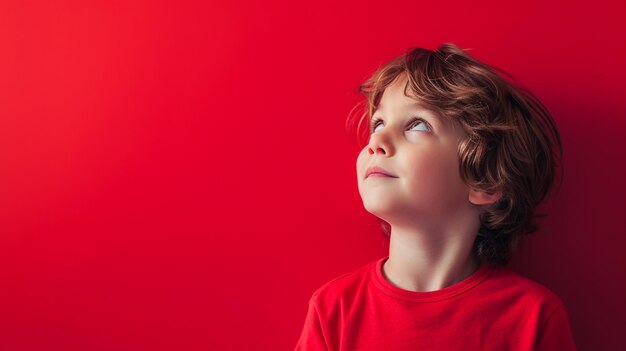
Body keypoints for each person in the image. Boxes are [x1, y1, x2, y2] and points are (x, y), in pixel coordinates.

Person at [294, 43, 576, 350]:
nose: (375, 140)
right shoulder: (333, 310)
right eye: (378, 123)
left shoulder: (535, 317)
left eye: (417, 125)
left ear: (483, 182)